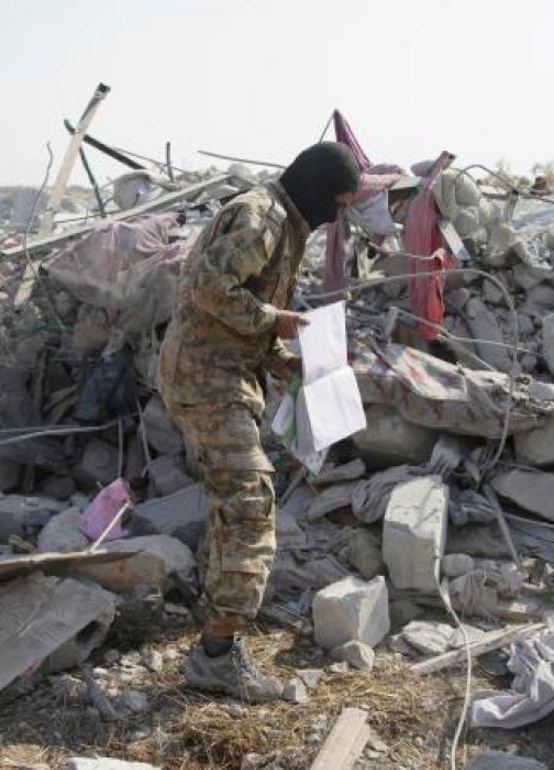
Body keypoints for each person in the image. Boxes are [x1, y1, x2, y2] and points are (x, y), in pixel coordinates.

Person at [158, 142, 360, 701]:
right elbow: (208, 288)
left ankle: (215, 629)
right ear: (318, 189)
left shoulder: (283, 221)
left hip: (221, 374)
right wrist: (280, 322)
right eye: (339, 203)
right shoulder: (261, 218)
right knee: (249, 504)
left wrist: (284, 359)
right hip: (206, 379)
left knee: (233, 500)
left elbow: (236, 308)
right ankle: (217, 656)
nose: (338, 216)